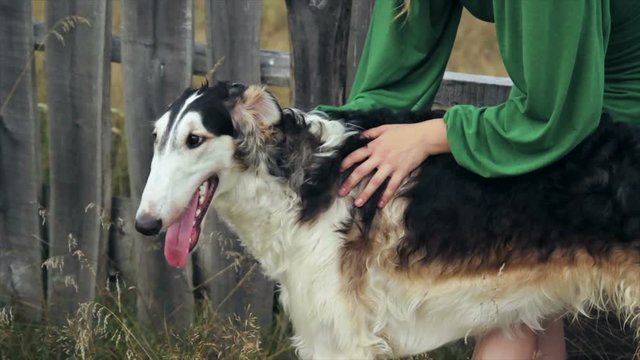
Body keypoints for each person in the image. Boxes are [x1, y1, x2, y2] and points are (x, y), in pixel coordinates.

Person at [316, 0, 640, 359]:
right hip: (560, 115)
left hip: (609, 126)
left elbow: (556, 117)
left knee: (510, 302)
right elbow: (391, 77)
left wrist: (431, 136)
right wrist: (318, 138)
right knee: (521, 303)